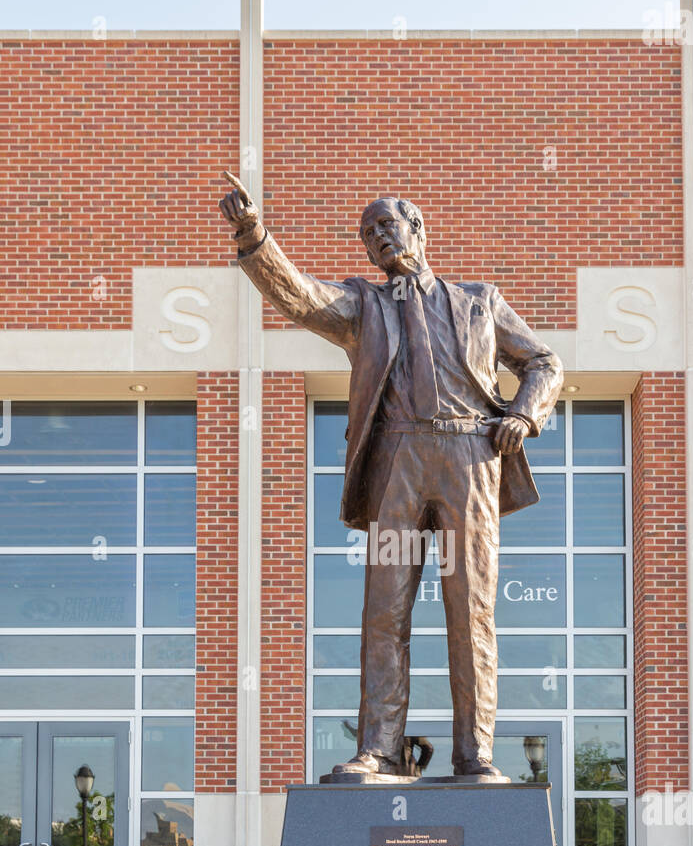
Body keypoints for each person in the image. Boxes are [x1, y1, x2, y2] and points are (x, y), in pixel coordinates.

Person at [220, 176, 563, 779]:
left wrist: (524, 414)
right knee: (385, 610)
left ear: (417, 229)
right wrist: (256, 237)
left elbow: (543, 361)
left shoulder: (480, 301)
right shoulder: (363, 307)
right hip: (398, 463)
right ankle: (378, 747)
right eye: (368, 233)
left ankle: (474, 754)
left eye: (387, 225)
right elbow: (300, 297)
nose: (378, 238)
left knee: (471, 610)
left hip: (469, 459)